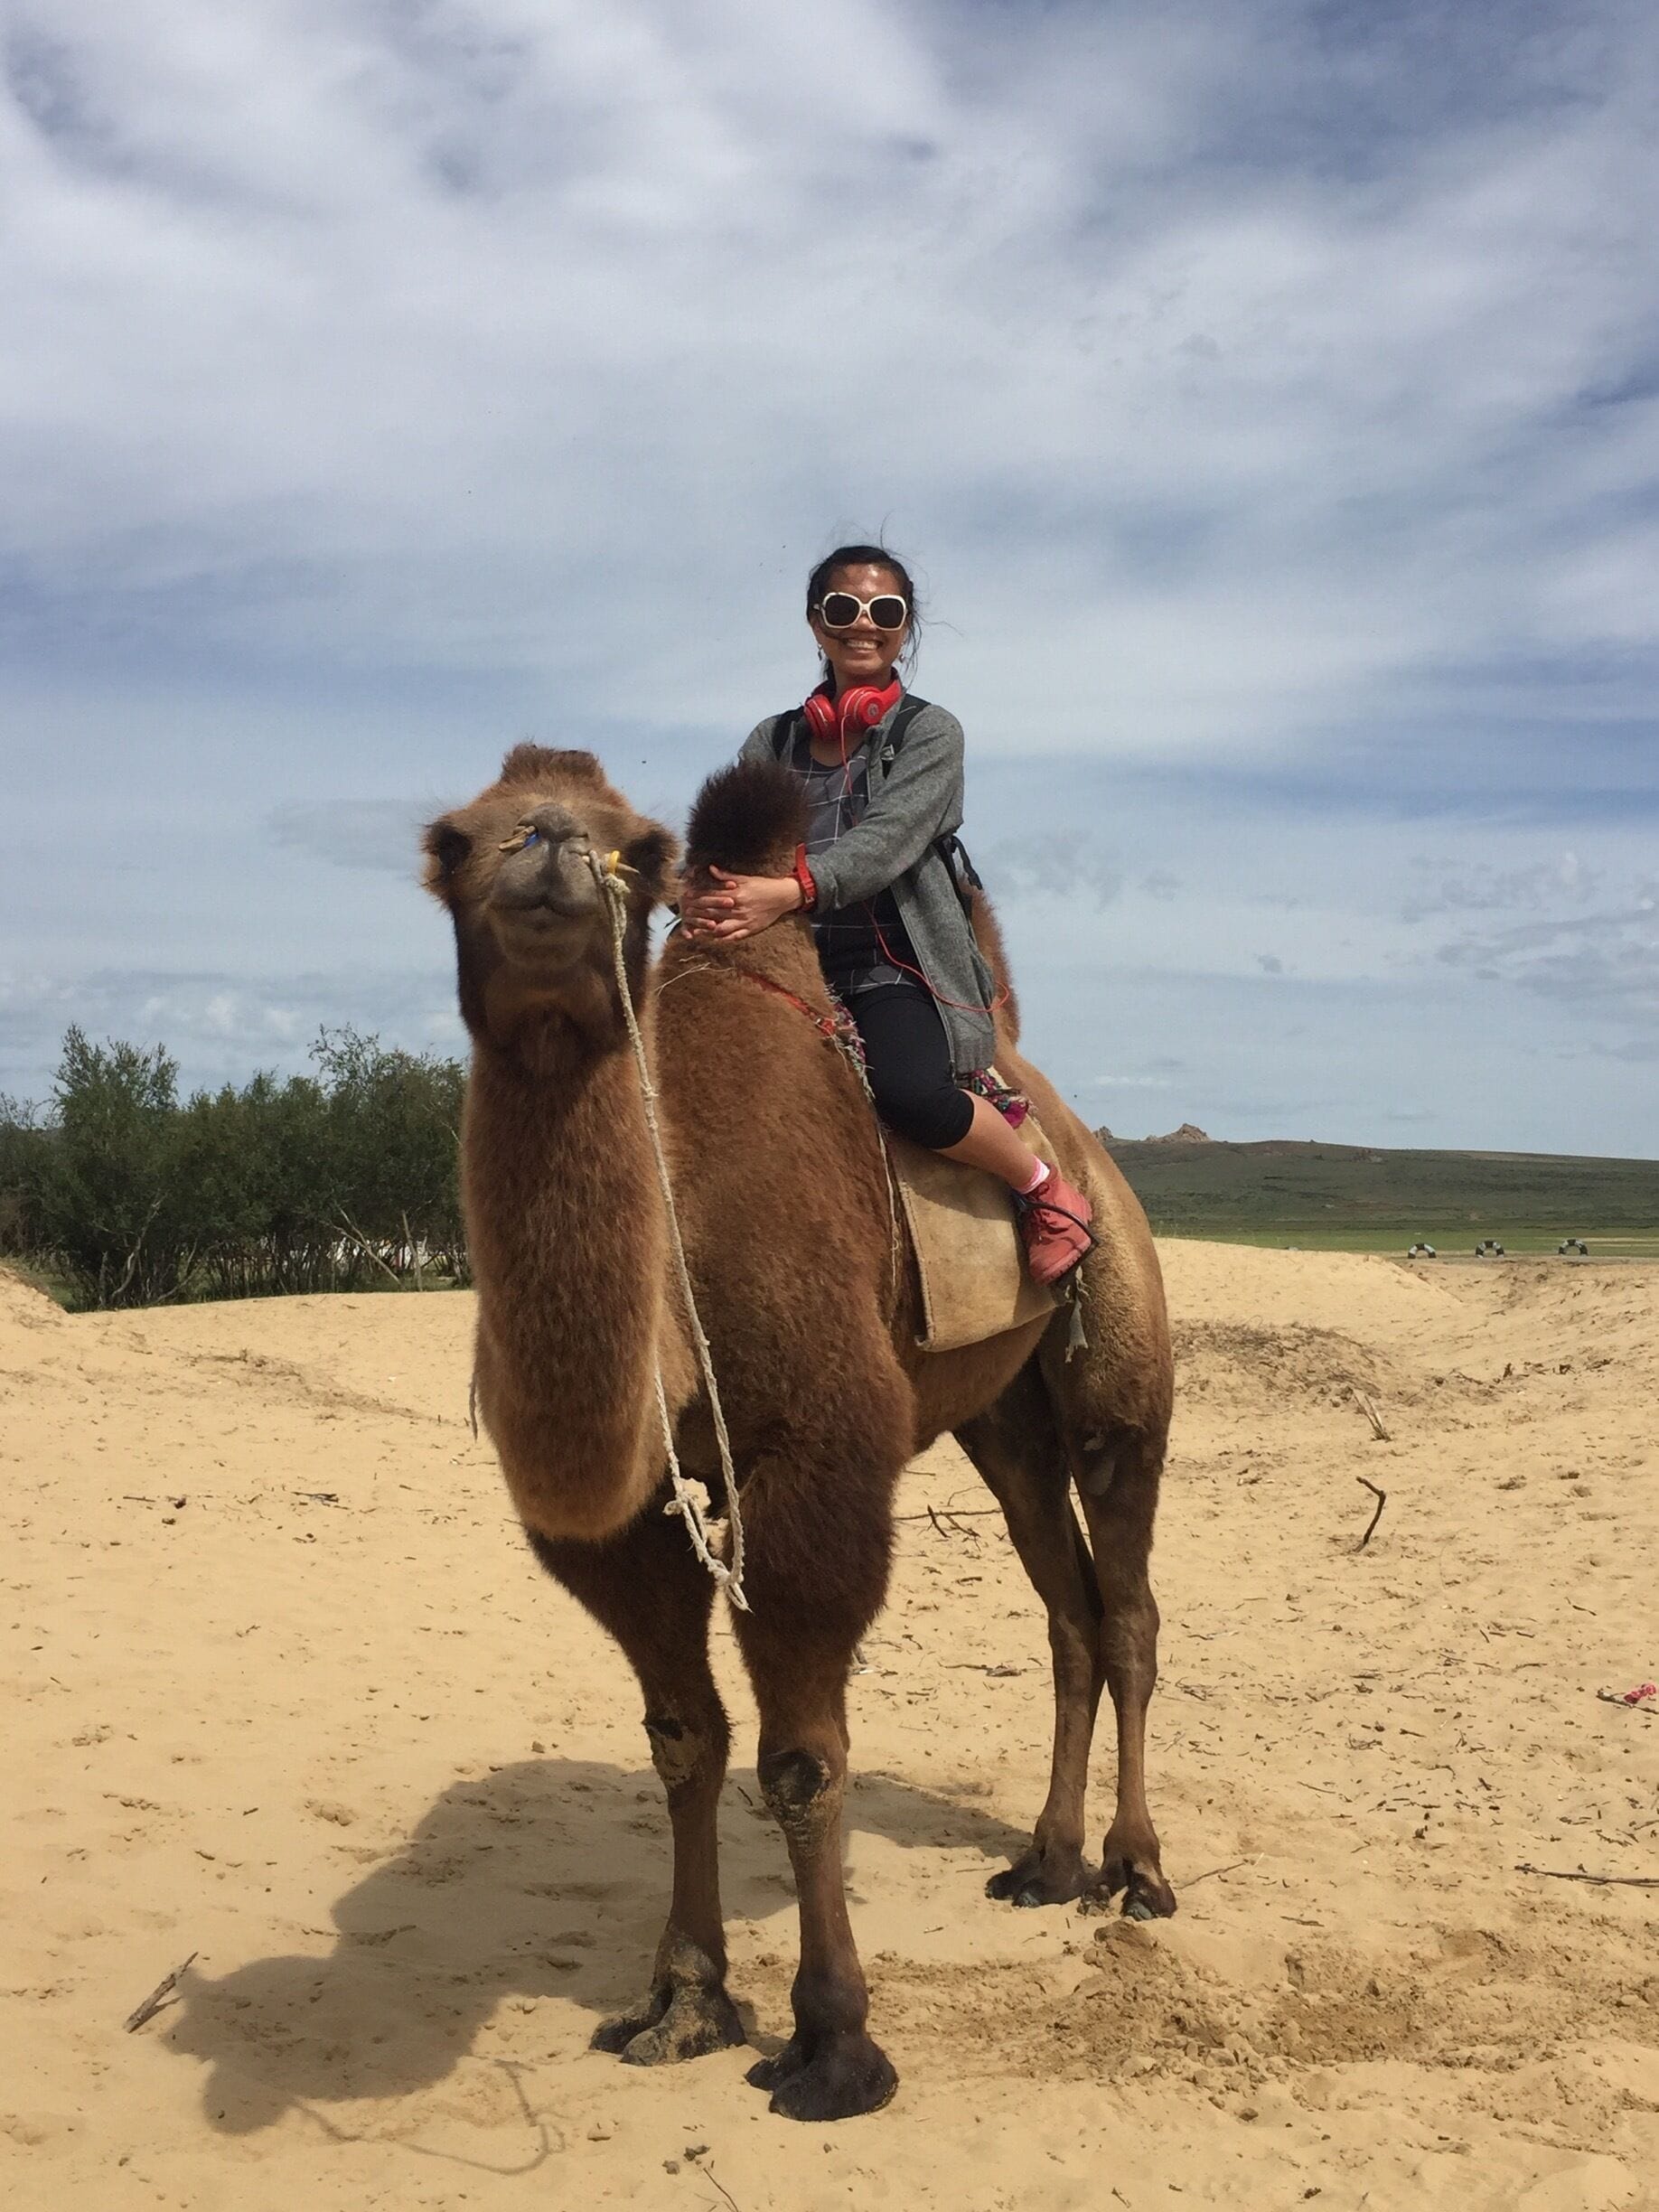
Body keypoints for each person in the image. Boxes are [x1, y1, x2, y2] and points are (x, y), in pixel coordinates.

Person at [680, 543, 1094, 1287]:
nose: (862, 625)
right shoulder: (769, 742)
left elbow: (887, 843)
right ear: (816, 624)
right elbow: (731, 844)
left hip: (889, 961)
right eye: (843, 609)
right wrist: (696, 892)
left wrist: (789, 891)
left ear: (905, 629)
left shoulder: (932, 735)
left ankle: (1041, 1187)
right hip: (780, 959)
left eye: (885, 612)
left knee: (913, 1096)